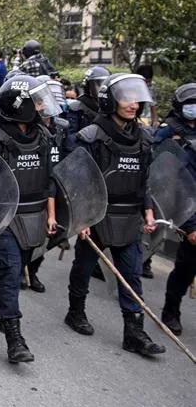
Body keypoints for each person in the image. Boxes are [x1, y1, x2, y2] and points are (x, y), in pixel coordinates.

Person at [64, 73, 165, 357]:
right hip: (97, 214)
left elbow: (145, 179)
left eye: (137, 99)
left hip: (129, 214)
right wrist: (82, 217)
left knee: (131, 274)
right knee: (84, 266)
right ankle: (76, 311)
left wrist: (148, 211)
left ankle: (134, 331)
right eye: (126, 99)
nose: (133, 105)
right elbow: (79, 180)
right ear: (111, 100)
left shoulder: (144, 137)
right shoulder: (91, 136)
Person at [0, 75, 61, 363]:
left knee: (14, 271)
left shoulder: (45, 137)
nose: (41, 107)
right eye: (36, 102)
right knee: (12, 273)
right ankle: (15, 339)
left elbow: (50, 179)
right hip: (5, 218)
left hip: (34, 216)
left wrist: (51, 215)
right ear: (19, 106)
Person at [22, 76, 74, 292]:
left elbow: (71, 156)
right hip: (35, 183)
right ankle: (20, 271)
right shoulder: (29, 127)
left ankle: (33, 271)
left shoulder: (62, 127)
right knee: (28, 231)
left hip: (56, 186)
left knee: (46, 235)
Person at [157, 83, 196, 334]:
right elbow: (163, 173)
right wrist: (190, 226)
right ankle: (171, 310)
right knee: (186, 267)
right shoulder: (168, 131)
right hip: (188, 204)